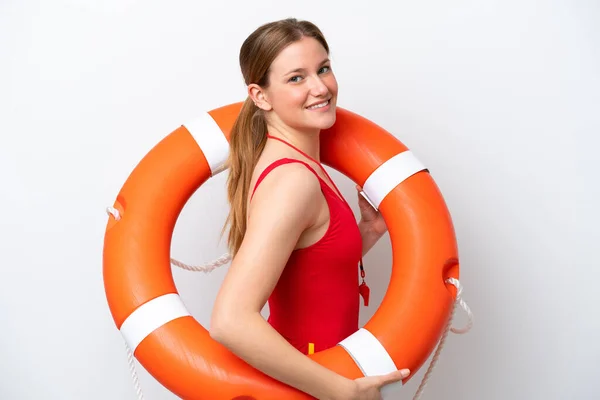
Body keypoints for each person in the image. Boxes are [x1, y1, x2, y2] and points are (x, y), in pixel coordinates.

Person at [210, 18, 410, 400]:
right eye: (296, 78)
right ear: (261, 96)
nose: (321, 87)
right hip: (310, 386)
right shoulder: (294, 181)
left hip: (318, 374)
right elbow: (230, 321)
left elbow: (304, 271)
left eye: (323, 68)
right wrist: (343, 392)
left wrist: (366, 231)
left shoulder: (298, 165)